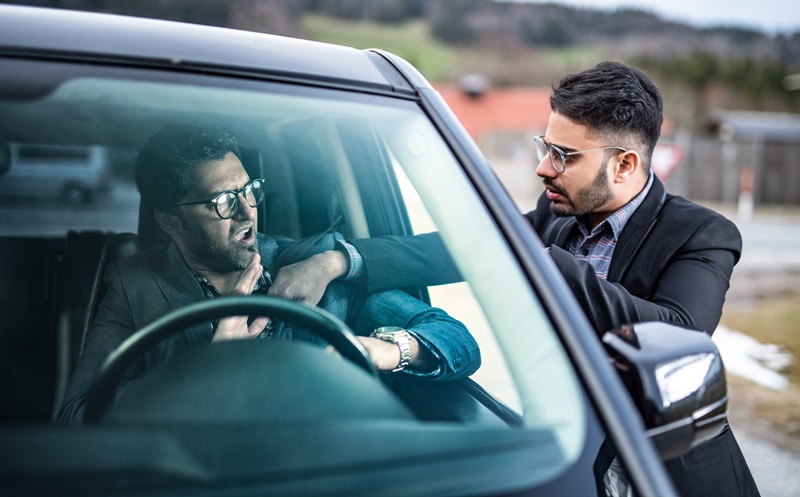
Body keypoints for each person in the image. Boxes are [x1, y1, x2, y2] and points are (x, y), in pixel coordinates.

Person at [279, 61, 759, 496]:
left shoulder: (703, 234)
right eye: (546, 147)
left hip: (666, 473)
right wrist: (339, 261)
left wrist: (542, 258)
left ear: (625, 164)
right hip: (568, 457)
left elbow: (678, 329)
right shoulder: (554, 218)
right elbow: (459, 247)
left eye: (565, 156)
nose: (543, 167)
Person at [56, 123, 480, 424]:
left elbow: (457, 341)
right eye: (223, 201)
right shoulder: (134, 283)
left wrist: (385, 349)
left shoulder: (310, 268)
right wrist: (207, 369)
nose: (247, 212)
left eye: (249, 191)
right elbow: (76, 419)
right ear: (170, 222)